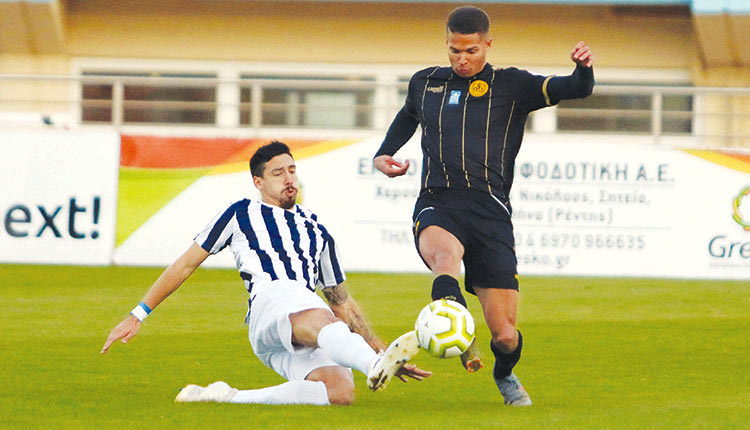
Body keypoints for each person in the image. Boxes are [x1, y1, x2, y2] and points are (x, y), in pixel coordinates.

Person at [373, 6, 594, 406]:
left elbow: (574, 89)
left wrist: (583, 69)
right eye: (455, 50)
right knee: (445, 258)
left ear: (488, 44)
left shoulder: (513, 85)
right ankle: (451, 317)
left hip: (491, 213)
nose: (462, 59)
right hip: (438, 200)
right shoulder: (425, 82)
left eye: (471, 50)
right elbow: (408, 117)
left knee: (506, 335)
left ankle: (503, 373)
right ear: (447, 42)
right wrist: (384, 153)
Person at [102, 141, 430, 406]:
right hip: (271, 304)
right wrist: (138, 314)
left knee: (339, 392)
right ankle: (372, 368)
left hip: (302, 321)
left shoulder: (317, 229)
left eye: (292, 170)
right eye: (278, 173)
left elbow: (341, 300)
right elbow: (187, 263)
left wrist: (382, 352)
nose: (289, 179)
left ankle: (225, 396)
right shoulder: (241, 213)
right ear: (258, 182)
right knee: (321, 315)